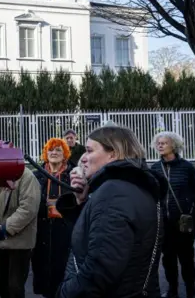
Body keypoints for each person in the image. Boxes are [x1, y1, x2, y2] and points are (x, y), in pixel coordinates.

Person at [55, 125, 168, 297]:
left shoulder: (113, 193)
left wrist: (65, 293)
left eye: (89, 150)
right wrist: (81, 201)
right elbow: (94, 238)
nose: (83, 158)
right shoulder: (131, 185)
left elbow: (99, 270)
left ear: (113, 153)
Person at [0, 140, 40, 298]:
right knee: (1, 284)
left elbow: (28, 208)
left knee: (15, 287)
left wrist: (3, 229)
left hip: (19, 243)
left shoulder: (26, 176)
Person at [151, 131, 195, 298]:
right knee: (168, 258)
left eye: (164, 143)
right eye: (158, 143)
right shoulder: (155, 168)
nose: (160, 145)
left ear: (174, 145)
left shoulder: (187, 167)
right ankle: (172, 289)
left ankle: (191, 289)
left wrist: (191, 212)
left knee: (186, 256)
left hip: (183, 221)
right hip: (164, 222)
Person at [31, 138, 74, 297]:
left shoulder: (73, 174)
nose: (54, 153)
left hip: (65, 229)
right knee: (42, 268)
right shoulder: (36, 175)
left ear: (65, 154)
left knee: (63, 268)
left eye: (58, 150)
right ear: (45, 153)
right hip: (41, 229)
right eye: (51, 150)